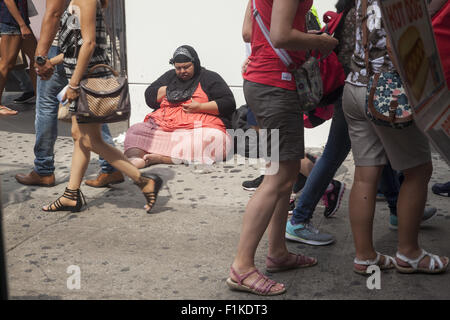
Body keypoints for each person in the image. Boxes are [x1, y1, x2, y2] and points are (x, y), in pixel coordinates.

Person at [227, 0, 338, 296]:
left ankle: (277, 251)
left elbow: (249, 32)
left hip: (263, 81)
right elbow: (280, 35)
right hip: (276, 83)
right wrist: (320, 41)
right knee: (278, 178)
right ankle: (242, 268)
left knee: (282, 173)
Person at [343, 0, 448, 274]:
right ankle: (409, 253)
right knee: (419, 170)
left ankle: (365, 256)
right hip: (388, 92)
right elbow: (395, 45)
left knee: (365, 175)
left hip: (356, 85)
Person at [42, 0, 162, 214]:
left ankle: (142, 180)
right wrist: (54, 61)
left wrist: (74, 84)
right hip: (80, 79)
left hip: (88, 82)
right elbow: (75, 47)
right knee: (79, 137)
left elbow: (89, 44)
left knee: (90, 140)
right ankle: (71, 194)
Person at [14, 0, 124, 189]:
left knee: (48, 108)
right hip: (74, 52)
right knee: (89, 115)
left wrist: (41, 57)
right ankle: (109, 168)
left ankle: (43, 170)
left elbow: (54, 13)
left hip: (65, 49)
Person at [285, 0, 355, 246]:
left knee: (378, 156)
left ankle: (398, 207)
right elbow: (279, 36)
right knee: (336, 153)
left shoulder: (348, 11)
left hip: (349, 90)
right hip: (356, 90)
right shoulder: (363, 12)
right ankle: (299, 218)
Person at [124, 45, 236, 168]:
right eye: (178, 68)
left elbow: (228, 103)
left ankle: (164, 158)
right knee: (135, 130)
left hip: (197, 130)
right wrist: (171, 89)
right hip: (164, 128)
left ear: (195, 63)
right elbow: (150, 96)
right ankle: (135, 158)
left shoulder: (209, 77)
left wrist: (200, 107)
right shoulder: (170, 77)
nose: (182, 71)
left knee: (216, 139)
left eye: (186, 67)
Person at [0, 0, 37, 115]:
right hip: (12, 21)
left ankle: (40, 98)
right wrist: (22, 24)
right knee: (7, 64)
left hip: (18, 21)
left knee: (37, 58)